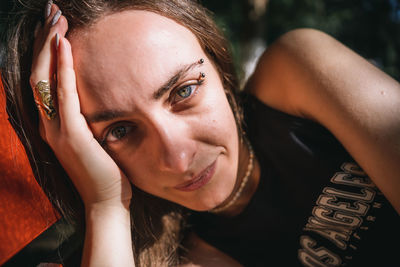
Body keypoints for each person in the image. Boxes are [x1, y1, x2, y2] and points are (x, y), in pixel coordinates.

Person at [2, 0, 400, 266]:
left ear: (217, 61)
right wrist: (105, 205)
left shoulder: (296, 75)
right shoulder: (187, 257)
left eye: (184, 91)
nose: (177, 158)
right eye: (120, 130)